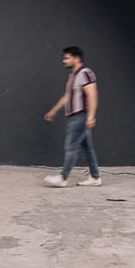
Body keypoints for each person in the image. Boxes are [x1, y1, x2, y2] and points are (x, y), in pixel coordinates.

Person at [43, 45, 100, 186]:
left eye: (67, 58)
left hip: (80, 116)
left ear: (76, 58)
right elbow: (67, 96)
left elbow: (92, 94)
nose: (64, 61)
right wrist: (54, 110)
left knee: (71, 146)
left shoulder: (85, 73)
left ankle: (63, 178)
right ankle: (95, 177)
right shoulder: (73, 76)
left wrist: (91, 116)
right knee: (87, 148)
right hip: (75, 117)